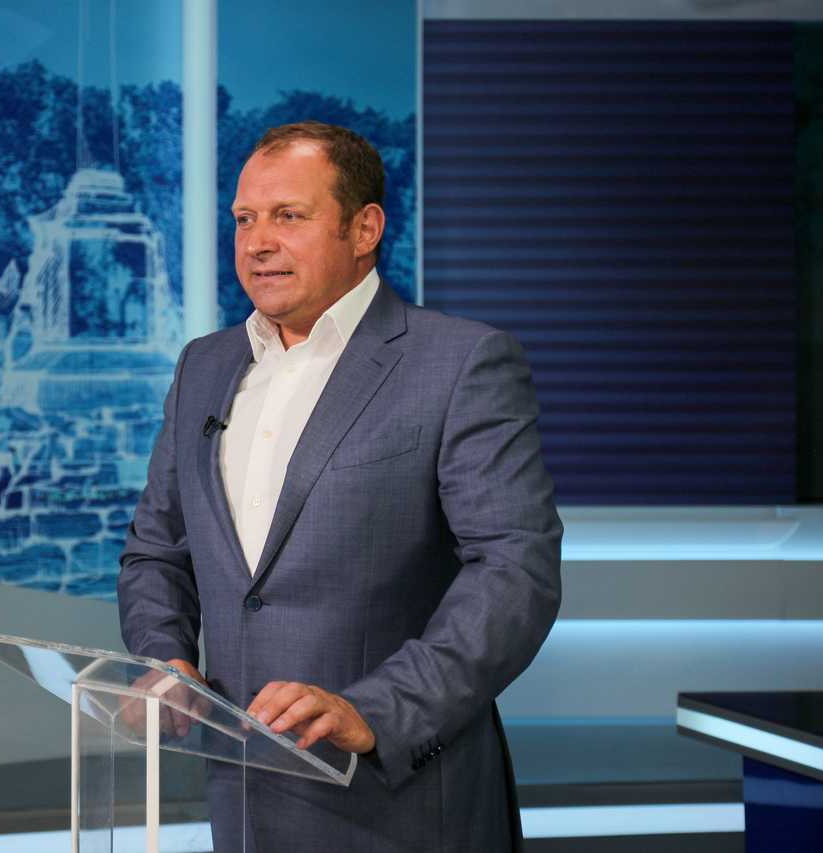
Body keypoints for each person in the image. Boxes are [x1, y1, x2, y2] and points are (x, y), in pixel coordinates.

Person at [117, 121, 562, 852]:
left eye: (288, 216)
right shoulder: (203, 365)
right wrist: (165, 658)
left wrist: (380, 708)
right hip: (243, 797)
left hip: (399, 802)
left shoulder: (461, 362)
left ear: (364, 229)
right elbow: (156, 550)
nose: (258, 242)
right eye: (244, 219)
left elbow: (516, 571)